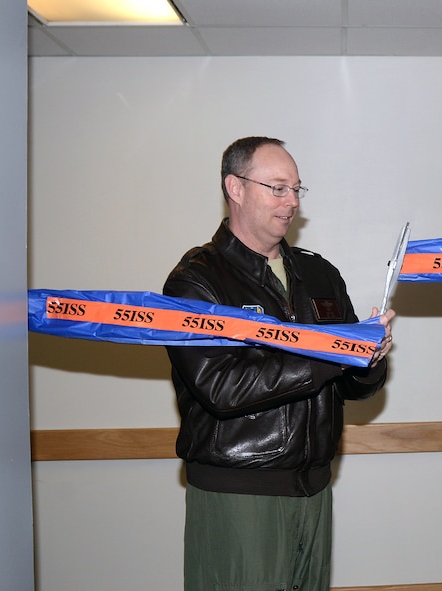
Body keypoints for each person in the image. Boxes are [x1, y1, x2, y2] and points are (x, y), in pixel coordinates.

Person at [163, 136, 394, 591]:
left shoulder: (319, 272)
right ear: (236, 187)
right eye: (278, 188)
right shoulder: (196, 280)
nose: (292, 202)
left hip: (314, 488)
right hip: (239, 491)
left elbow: (353, 387)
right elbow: (222, 389)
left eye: (297, 190)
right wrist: (333, 354)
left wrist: (368, 357)